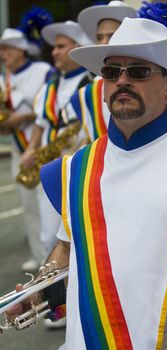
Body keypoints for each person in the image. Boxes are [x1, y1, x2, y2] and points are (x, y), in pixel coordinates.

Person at [6, 13, 167, 350]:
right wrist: (38, 288)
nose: (122, 81)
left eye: (139, 72)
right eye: (112, 72)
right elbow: (67, 247)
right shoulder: (77, 167)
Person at [20, 21, 93, 258]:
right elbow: (42, 122)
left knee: (78, 235)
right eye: (53, 47)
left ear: (77, 47)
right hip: (51, 166)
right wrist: (31, 149)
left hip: (81, 168)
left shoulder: (92, 82)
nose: (54, 52)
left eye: (61, 46)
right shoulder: (50, 85)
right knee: (48, 235)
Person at [0, 27, 53, 272]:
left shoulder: (42, 71)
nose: (3, 54)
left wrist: (23, 117)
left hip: (42, 147)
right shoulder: (4, 78)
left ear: (21, 50)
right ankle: (37, 254)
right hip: (18, 148)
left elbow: (49, 107)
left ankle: (52, 257)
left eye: (7, 49)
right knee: (29, 204)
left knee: (48, 204)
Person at [67, 0, 137, 142]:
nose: (104, 43)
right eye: (99, 37)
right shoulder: (84, 94)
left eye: (111, 35)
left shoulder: (150, 82)